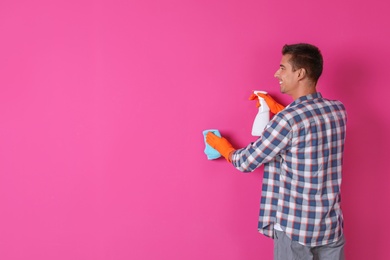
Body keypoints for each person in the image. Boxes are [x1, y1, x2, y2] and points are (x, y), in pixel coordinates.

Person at [206, 43, 347, 260]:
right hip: (329, 227)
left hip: (295, 230)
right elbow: (307, 134)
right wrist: (282, 110)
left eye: (283, 68)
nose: (276, 73)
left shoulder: (288, 120)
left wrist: (223, 147)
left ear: (299, 73)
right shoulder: (338, 110)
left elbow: (246, 161)